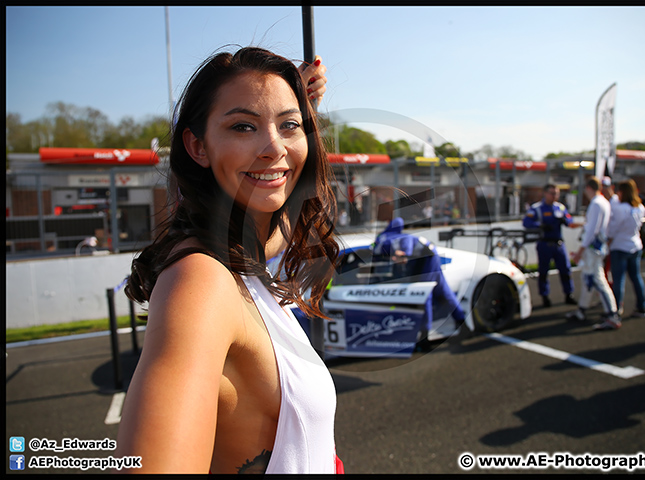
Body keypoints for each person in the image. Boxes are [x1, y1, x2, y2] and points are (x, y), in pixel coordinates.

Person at [115, 47, 344, 474]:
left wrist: (305, 110)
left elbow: (283, 226)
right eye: (243, 126)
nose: (273, 147)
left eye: (288, 126)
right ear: (197, 146)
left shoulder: (241, 252)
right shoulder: (201, 281)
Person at [372, 217, 467, 348]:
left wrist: (398, 257)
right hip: (428, 257)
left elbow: (404, 255)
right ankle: (461, 320)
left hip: (428, 260)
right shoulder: (392, 238)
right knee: (443, 290)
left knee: (424, 295)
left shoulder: (395, 239)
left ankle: (424, 336)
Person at [566, 176, 620, 330]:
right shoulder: (603, 202)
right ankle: (582, 309)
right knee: (588, 279)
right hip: (597, 247)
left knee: (597, 280)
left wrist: (580, 251)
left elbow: (591, 231)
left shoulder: (596, 204)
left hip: (592, 248)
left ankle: (612, 314)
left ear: (588, 188)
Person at [522, 184, 581, 308]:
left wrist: (567, 221)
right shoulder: (537, 208)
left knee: (565, 269)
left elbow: (569, 220)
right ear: (545, 193)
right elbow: (526, 222)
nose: (555, 196)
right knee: (543, 271)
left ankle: (568, 294)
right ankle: (544, 297)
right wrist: (540, 225)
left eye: (557, 193)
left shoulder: (560, 207)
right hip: (544, 243)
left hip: (558, 244)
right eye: (552, 193)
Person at [607, 179, 645, 319]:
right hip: (635, 245)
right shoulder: (639, 208)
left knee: (619, 279)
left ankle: (616, 308)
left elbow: (613, 228)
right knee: (636, 277)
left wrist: (608, 241)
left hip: (620, 247)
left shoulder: (620, 208)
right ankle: (641, 306)